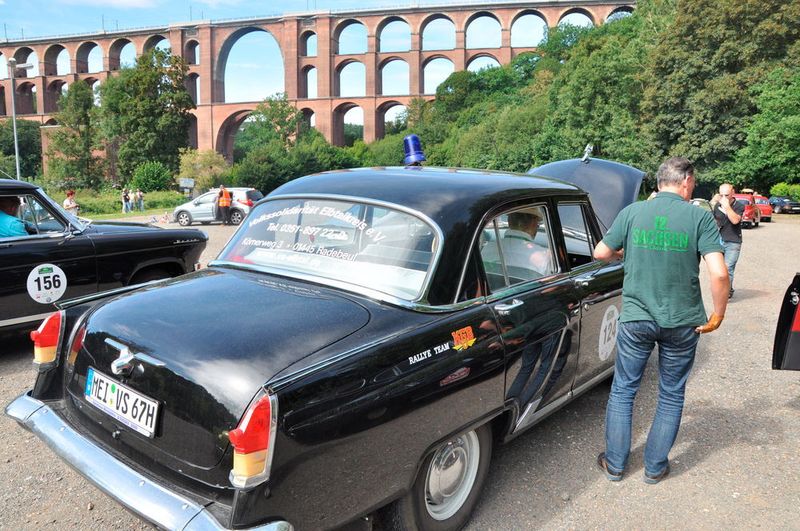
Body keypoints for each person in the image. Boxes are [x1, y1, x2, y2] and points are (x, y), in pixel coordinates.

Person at [593, 157, 729, 485]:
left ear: (658, 183)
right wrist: (718, 314)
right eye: (693, 183)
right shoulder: (700, 218)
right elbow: (720, 273)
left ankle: (614, 465)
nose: (693, 188)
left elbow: (600, 253)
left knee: (624, 389)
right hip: (683, 321)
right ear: (685, 183)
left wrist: (629, 252)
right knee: (671, 392)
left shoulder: (633, 213)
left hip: (638, 317)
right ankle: (654, 468)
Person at [710, 183, 744, 299]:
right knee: (719, 269)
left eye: (727, 195)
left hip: (733, 241)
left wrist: (727, 207)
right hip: (719, 240)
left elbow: (735, 220)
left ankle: (725, 292)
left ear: (733, 193)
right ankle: (727, 288)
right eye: (721, 195)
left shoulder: (739, 206)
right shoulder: (717, 206)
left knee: (728, 267)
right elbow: (715, 222)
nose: (724, 198)